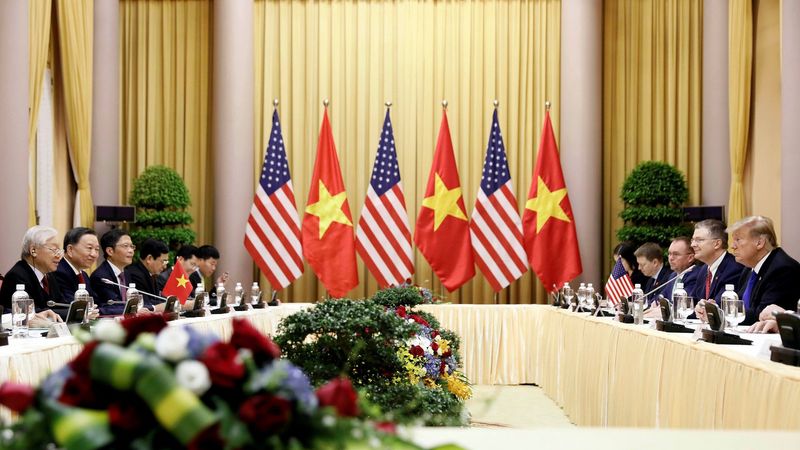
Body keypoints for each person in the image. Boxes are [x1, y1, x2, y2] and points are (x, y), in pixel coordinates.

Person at [725, 216, 800, 329]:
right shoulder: (749, 268)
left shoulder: (782, 269)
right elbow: (739, 305)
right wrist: (715, 309)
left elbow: (762, 315)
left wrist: (723, 316)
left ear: (759, 243)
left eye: (738, 240)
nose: (732, 246)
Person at [0, 226, 67, 321]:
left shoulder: (49, 275)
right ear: (33, 250)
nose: (59, 256)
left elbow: (62, 305)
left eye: (59, 251)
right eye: (54, 249)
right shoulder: (16, 276)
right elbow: (33, 314)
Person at [90, 229, 135, 315]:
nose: (131, 251)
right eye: (125, 246)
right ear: (110, 251)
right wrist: (139, 309)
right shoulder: (101, 277)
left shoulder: (127, 273)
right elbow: (114, 305)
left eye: (132, 246)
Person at [52, 227, 100, 303]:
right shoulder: (58, 272)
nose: (94, 254)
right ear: (70, 250)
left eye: (97, 249)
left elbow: (96, 302)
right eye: (89, 248)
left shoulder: (83, 275)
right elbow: (72, 304)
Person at [124, 238, 169, 311]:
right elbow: (145, 303)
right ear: (149, 258)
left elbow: (156, 299)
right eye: (163, 261)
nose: (165, 266)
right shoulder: (135, 275)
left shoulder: (152, 274)